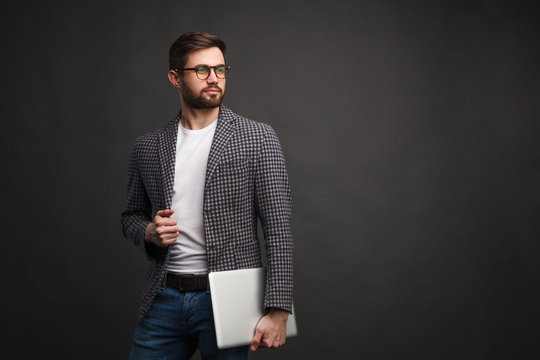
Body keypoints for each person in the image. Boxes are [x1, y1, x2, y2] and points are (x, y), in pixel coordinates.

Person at [121, 31, 294, 359]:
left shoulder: (257, 138)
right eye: (201, 70)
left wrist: (279, 310)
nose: (214, 78)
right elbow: (130, 216)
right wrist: (148, 232)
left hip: (231, 301)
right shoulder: (147, 147)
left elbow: (278, 228)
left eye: (220, 70)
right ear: (175, 78)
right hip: (164, 297)